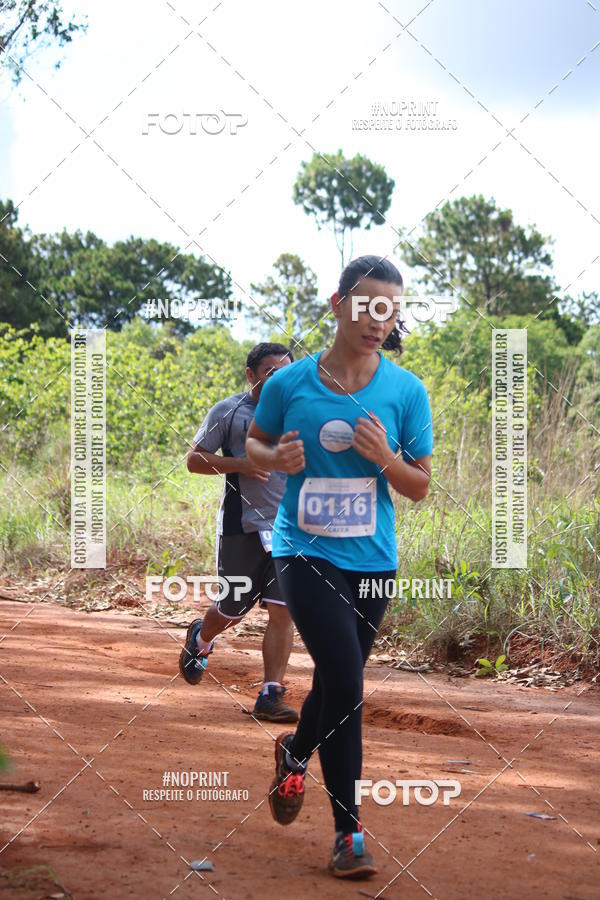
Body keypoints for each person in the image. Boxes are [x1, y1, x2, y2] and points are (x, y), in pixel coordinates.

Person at [246, 256, 433, 878]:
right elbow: (256, 443)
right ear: (337, 304)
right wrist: (277, 455)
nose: (379, 320)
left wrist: (385, 457)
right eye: (366, 306)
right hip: (303, 551)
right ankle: (349, 835)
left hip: (374, 561)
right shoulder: (289, 383)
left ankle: (295, 754)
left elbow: (420, 487)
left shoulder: (405, 392)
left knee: (334, 680)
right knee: (348, 687)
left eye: (391, 310)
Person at [179, 342, 299, 724]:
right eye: (270, 371)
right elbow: (194, 460)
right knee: (232, 610)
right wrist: (241, 464)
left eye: (286, 372)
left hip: (291, 530)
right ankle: (201, 637)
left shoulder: (301, 414)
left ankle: (270, 695)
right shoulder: (229, 412)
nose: (279, 379)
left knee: (283, 611)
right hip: (241, 528)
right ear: (251, 374)